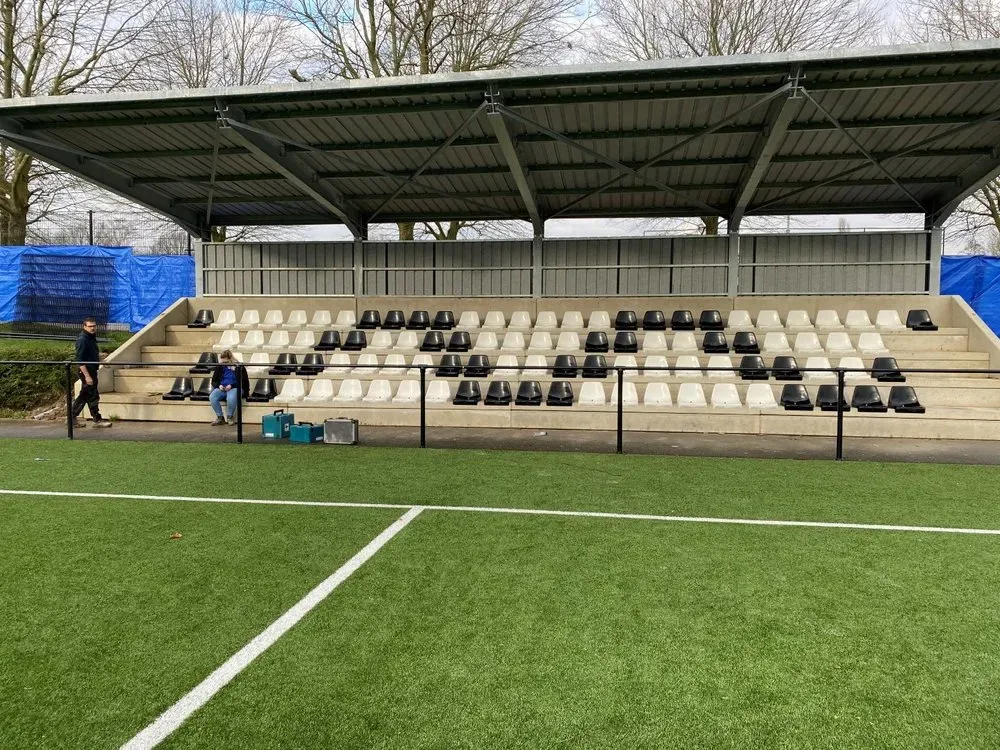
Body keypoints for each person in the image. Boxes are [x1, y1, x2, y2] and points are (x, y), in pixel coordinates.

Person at [73, 317, 111, 427]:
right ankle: (93, 419)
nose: (92, 328)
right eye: (90, 326)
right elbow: (80, 360)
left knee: (89, 395)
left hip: (92, 370)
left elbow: (90, 354)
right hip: (87, 371)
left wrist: (100, 360)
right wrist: (87, 376)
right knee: (87, 395)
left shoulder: (90, 337)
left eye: (94, 326)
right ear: (84, 326)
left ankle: (94, 418)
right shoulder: (82, 339)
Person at [209, 350, 249, 425]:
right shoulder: (220, 366)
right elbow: (214, 380)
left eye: (226, 362)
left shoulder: (239, 367)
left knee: (231, 397)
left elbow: (243, 382)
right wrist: (219, 385)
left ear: (230, 359)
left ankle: (230, 417)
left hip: (235, 387)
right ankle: (220, 417)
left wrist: (232, 385)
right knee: (212, 397)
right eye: (223, 362)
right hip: (223, 387)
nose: (224, 363)